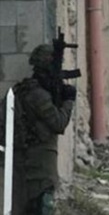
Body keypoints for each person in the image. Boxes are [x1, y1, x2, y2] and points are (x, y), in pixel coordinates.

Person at [9, 44, 76, 215]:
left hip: (28, 162)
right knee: (43, 206)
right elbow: (58, 123)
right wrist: (68, 101)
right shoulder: (37, 94)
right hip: (38, 164)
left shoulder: (24, 90)